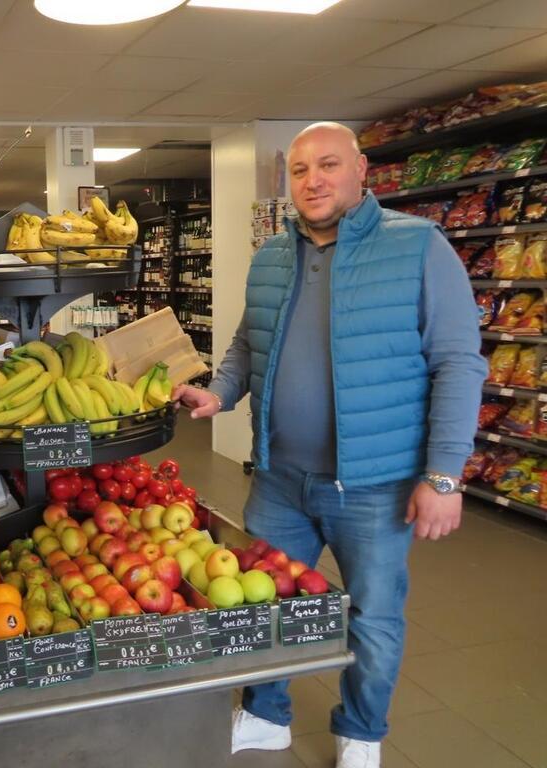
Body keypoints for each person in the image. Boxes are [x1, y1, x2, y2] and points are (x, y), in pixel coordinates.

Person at [173, 122, 486, 768]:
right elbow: (244, 346)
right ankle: (265, 713)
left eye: (329, 165)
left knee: (371, 615)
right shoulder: (272, 257)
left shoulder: (419, 249)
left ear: (362, 170)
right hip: (280, 478)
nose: (312, 180)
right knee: (260, 605)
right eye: (299, 169)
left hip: (375, 485)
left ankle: (362, 733)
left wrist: (445, 475)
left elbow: (459, 363)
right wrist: (219, 394)